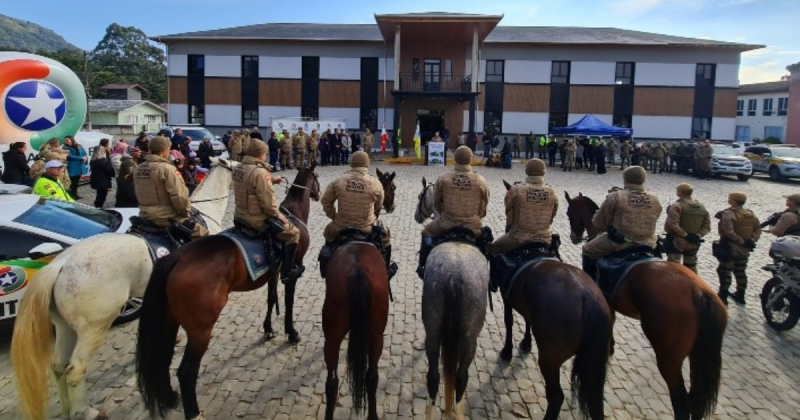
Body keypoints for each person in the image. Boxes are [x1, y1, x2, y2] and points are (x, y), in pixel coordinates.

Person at [233, 140, 303, 281]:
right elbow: (268, 203)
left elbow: (250, 183)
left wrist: (271, 180)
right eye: (265, 153)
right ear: (260, 154)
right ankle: (287, 271)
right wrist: (277, 214)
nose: (265, 156)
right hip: (255, 219)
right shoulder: (260, 172)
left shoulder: (238, 167)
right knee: (293, 233)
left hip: (240, 215)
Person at [320, 151, 396, 278]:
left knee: (328, 233)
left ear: (352, 163)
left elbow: (326, 201)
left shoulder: (338, 181)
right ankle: (386, 270)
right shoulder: (375, 183)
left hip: (341, 226)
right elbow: (378, 205)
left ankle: (325, 268)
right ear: (367, 164)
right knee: (386, 236)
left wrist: (334, 216)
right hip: (367, 227)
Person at [417, 146, 489, 278]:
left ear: (455, 158)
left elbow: (436, 203)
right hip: (473, 227)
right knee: (487, 241)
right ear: (471, 159)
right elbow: (484, 206)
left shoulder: (443, 178)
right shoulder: (481, 180)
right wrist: (477, 218)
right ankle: (489, 276)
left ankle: (423, 266)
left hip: (446, 224)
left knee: (425, 232)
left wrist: (445, 215)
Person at [581, 166, 662, 278]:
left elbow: (599, 223)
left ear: (625, 179)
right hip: (648, 242)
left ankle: (590, 282)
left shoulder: (616, 197)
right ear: (643, 179)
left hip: (620, 243)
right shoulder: (654, 198)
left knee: (587, 249)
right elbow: (656, 216)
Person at [490, 158, 558, 287]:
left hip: (518, 238)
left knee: (494, 248)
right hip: (544, 239)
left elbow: (509, 212)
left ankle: (494, 282)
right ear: (543, 172)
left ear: (527, 171)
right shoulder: (552, 192)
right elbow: (552, 216)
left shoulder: (515, 190)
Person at [135, 136, 208, 239]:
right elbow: (178, 195)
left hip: (144, 214)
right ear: (164, 150)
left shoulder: (139, 168)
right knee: (203, 234)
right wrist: (186, 212)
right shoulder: (167, 169)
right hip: (164, 216)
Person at [715, 192, 760, 305]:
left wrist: (741, 241)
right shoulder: (750, 214)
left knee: (725, 270)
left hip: (730, 247)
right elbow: (757, 229)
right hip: (744, 250)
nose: (728, 199)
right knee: (740, 271)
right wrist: (751, 240)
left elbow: (728, 231)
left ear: (733, 201)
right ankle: (741, 294)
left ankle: (723, 295)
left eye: (730, 198)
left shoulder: (729, 214)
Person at [663, 183, 710, 273]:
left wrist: (685, 235)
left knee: (674, 267)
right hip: (693, 242)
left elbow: (672, 224)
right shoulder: (701, 206)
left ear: (681, 192)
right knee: (691, 267)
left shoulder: (677, 205)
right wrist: (698, 236)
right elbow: (707, 226)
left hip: (677, 241)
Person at [89, 142, 115, 208]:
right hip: (103, 180)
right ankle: (98, 206)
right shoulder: (103, 161)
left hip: (95, 179)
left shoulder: (93, 161)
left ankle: (97, 205)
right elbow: (110, 171)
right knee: (102, 195)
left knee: (99, 194)